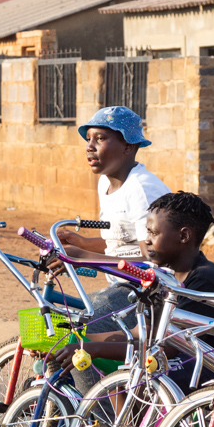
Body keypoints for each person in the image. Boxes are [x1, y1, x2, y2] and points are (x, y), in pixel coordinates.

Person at [55, 192, 214, 394]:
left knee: (138, 383)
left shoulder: (204, 279)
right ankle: (123, 426)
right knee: (118, 375)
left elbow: (167, 347)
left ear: (184, 236)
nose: (147, 240)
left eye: (153, 233)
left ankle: (142, 426)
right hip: (182, 358)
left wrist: (94, 348)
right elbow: (141, 334)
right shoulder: (162, 277)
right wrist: (82, 339)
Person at [56, 106, 171, 331]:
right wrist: (81, 242)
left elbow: (153, 259)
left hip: (152, 294)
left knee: (81, 331)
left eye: (100, 138)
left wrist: (83, 257)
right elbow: (121, 244)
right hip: (126, 288)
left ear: (128, 146)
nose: (89, 146)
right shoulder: (106, 183)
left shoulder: (141, 189)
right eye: (88, 139)